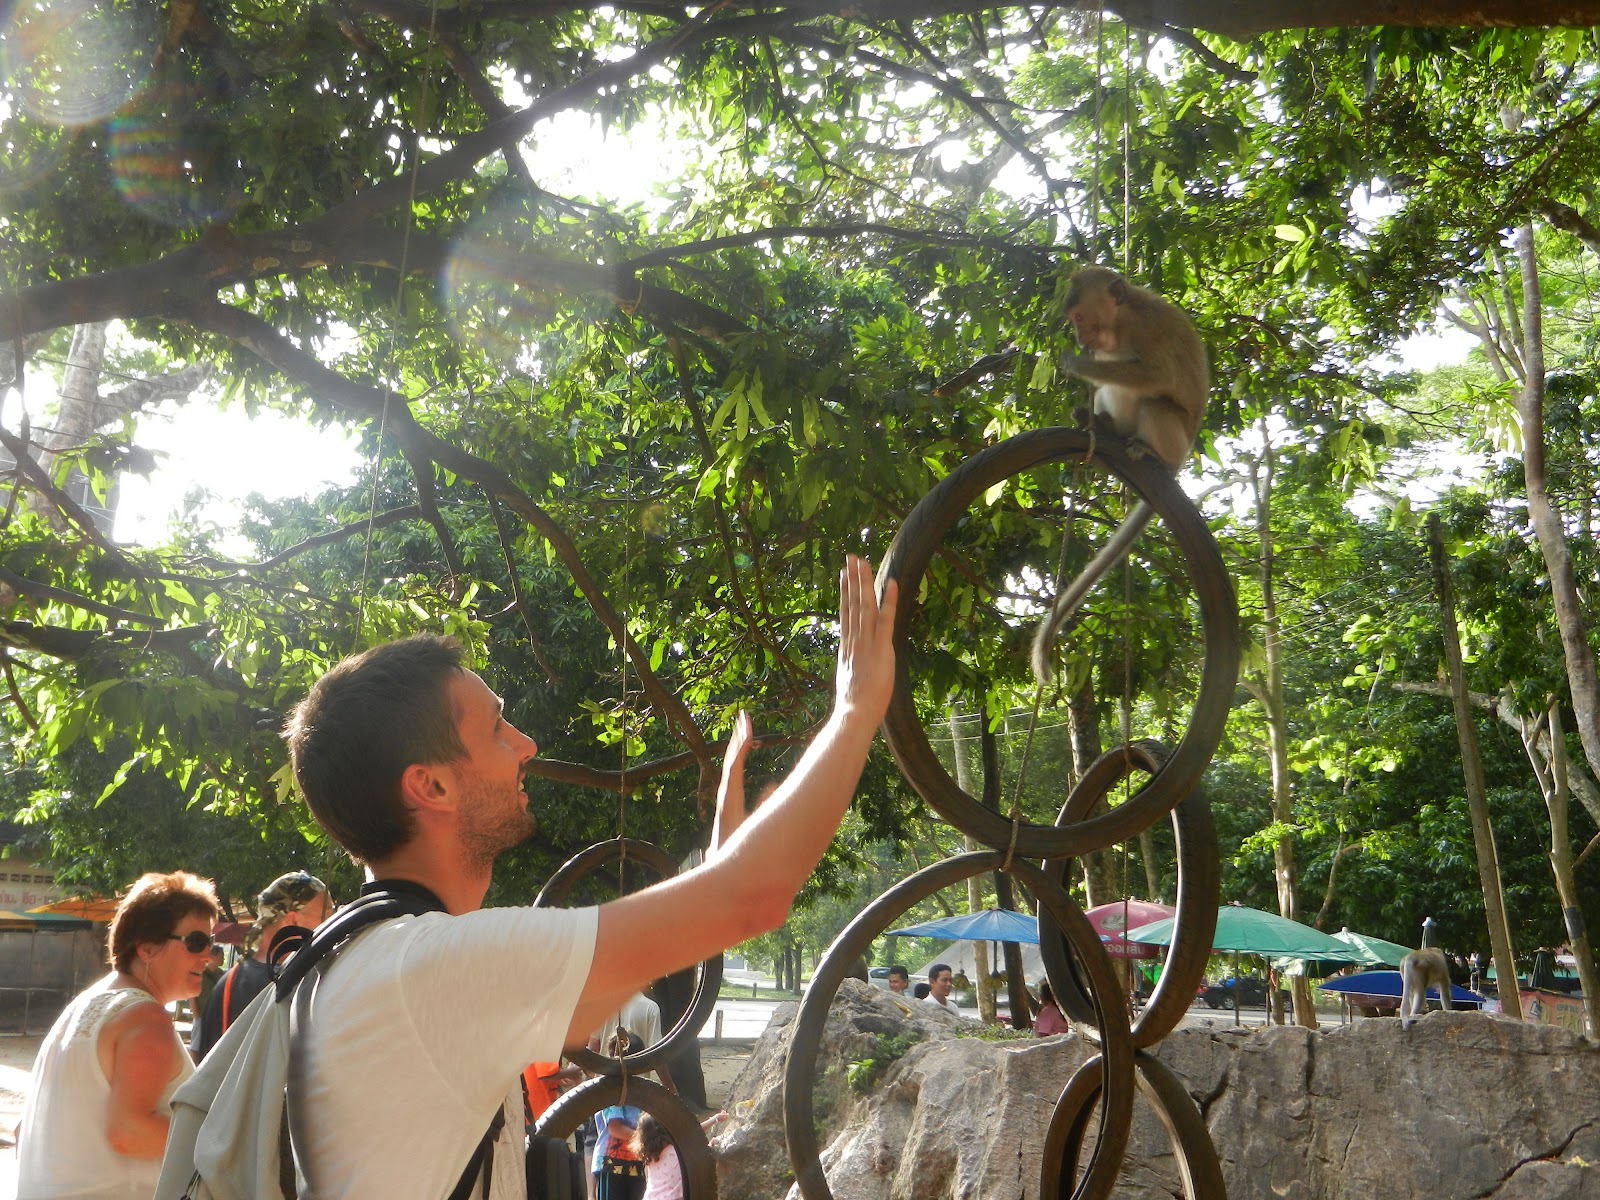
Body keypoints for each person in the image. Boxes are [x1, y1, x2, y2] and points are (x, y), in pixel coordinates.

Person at [275, 555, 896, 1199]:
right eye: (495, 728)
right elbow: (750, 899)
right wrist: (855, 709)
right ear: (430, 785)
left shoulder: (367, 958)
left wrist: (721, 868)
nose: (525, 745)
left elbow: (690, 928)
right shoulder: (430, 971)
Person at [18, 871, 219, 1200]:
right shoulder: (145, 1016)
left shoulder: (83, 1005)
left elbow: (24, 1127)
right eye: (196, 942)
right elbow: (128, 1132)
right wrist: (223, 1133)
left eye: (210, 942)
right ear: (147, 949)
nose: (208, 955)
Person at [190, 870, 333, 1060]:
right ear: (293, 920)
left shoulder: (229, 983)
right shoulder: (302, 982)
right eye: (326, 915)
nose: (333, 923)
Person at [630, 1110, 729, 1200]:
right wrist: (711, 1146)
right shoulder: (677, 1152)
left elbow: (690, 1134)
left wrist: (714, 1119)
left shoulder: (650, 1155)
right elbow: (699, 1149)